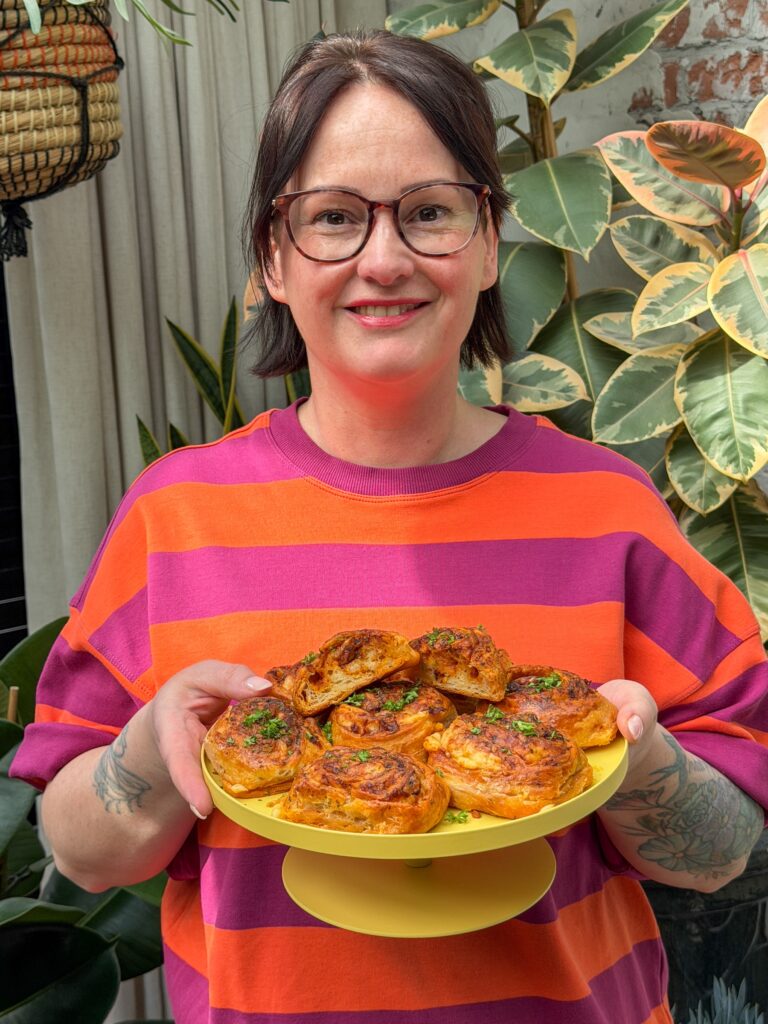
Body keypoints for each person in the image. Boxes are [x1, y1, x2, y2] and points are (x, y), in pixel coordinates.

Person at [11, 28, 768, 1024]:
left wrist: (635, 758)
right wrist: (156, 744)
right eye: (332, 216)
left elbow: (724, 852)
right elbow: (79, 845)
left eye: (429, 212)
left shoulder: (610, 507)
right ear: (274, 258)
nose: (384, 257)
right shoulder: (174, 517)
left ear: (490, 240)